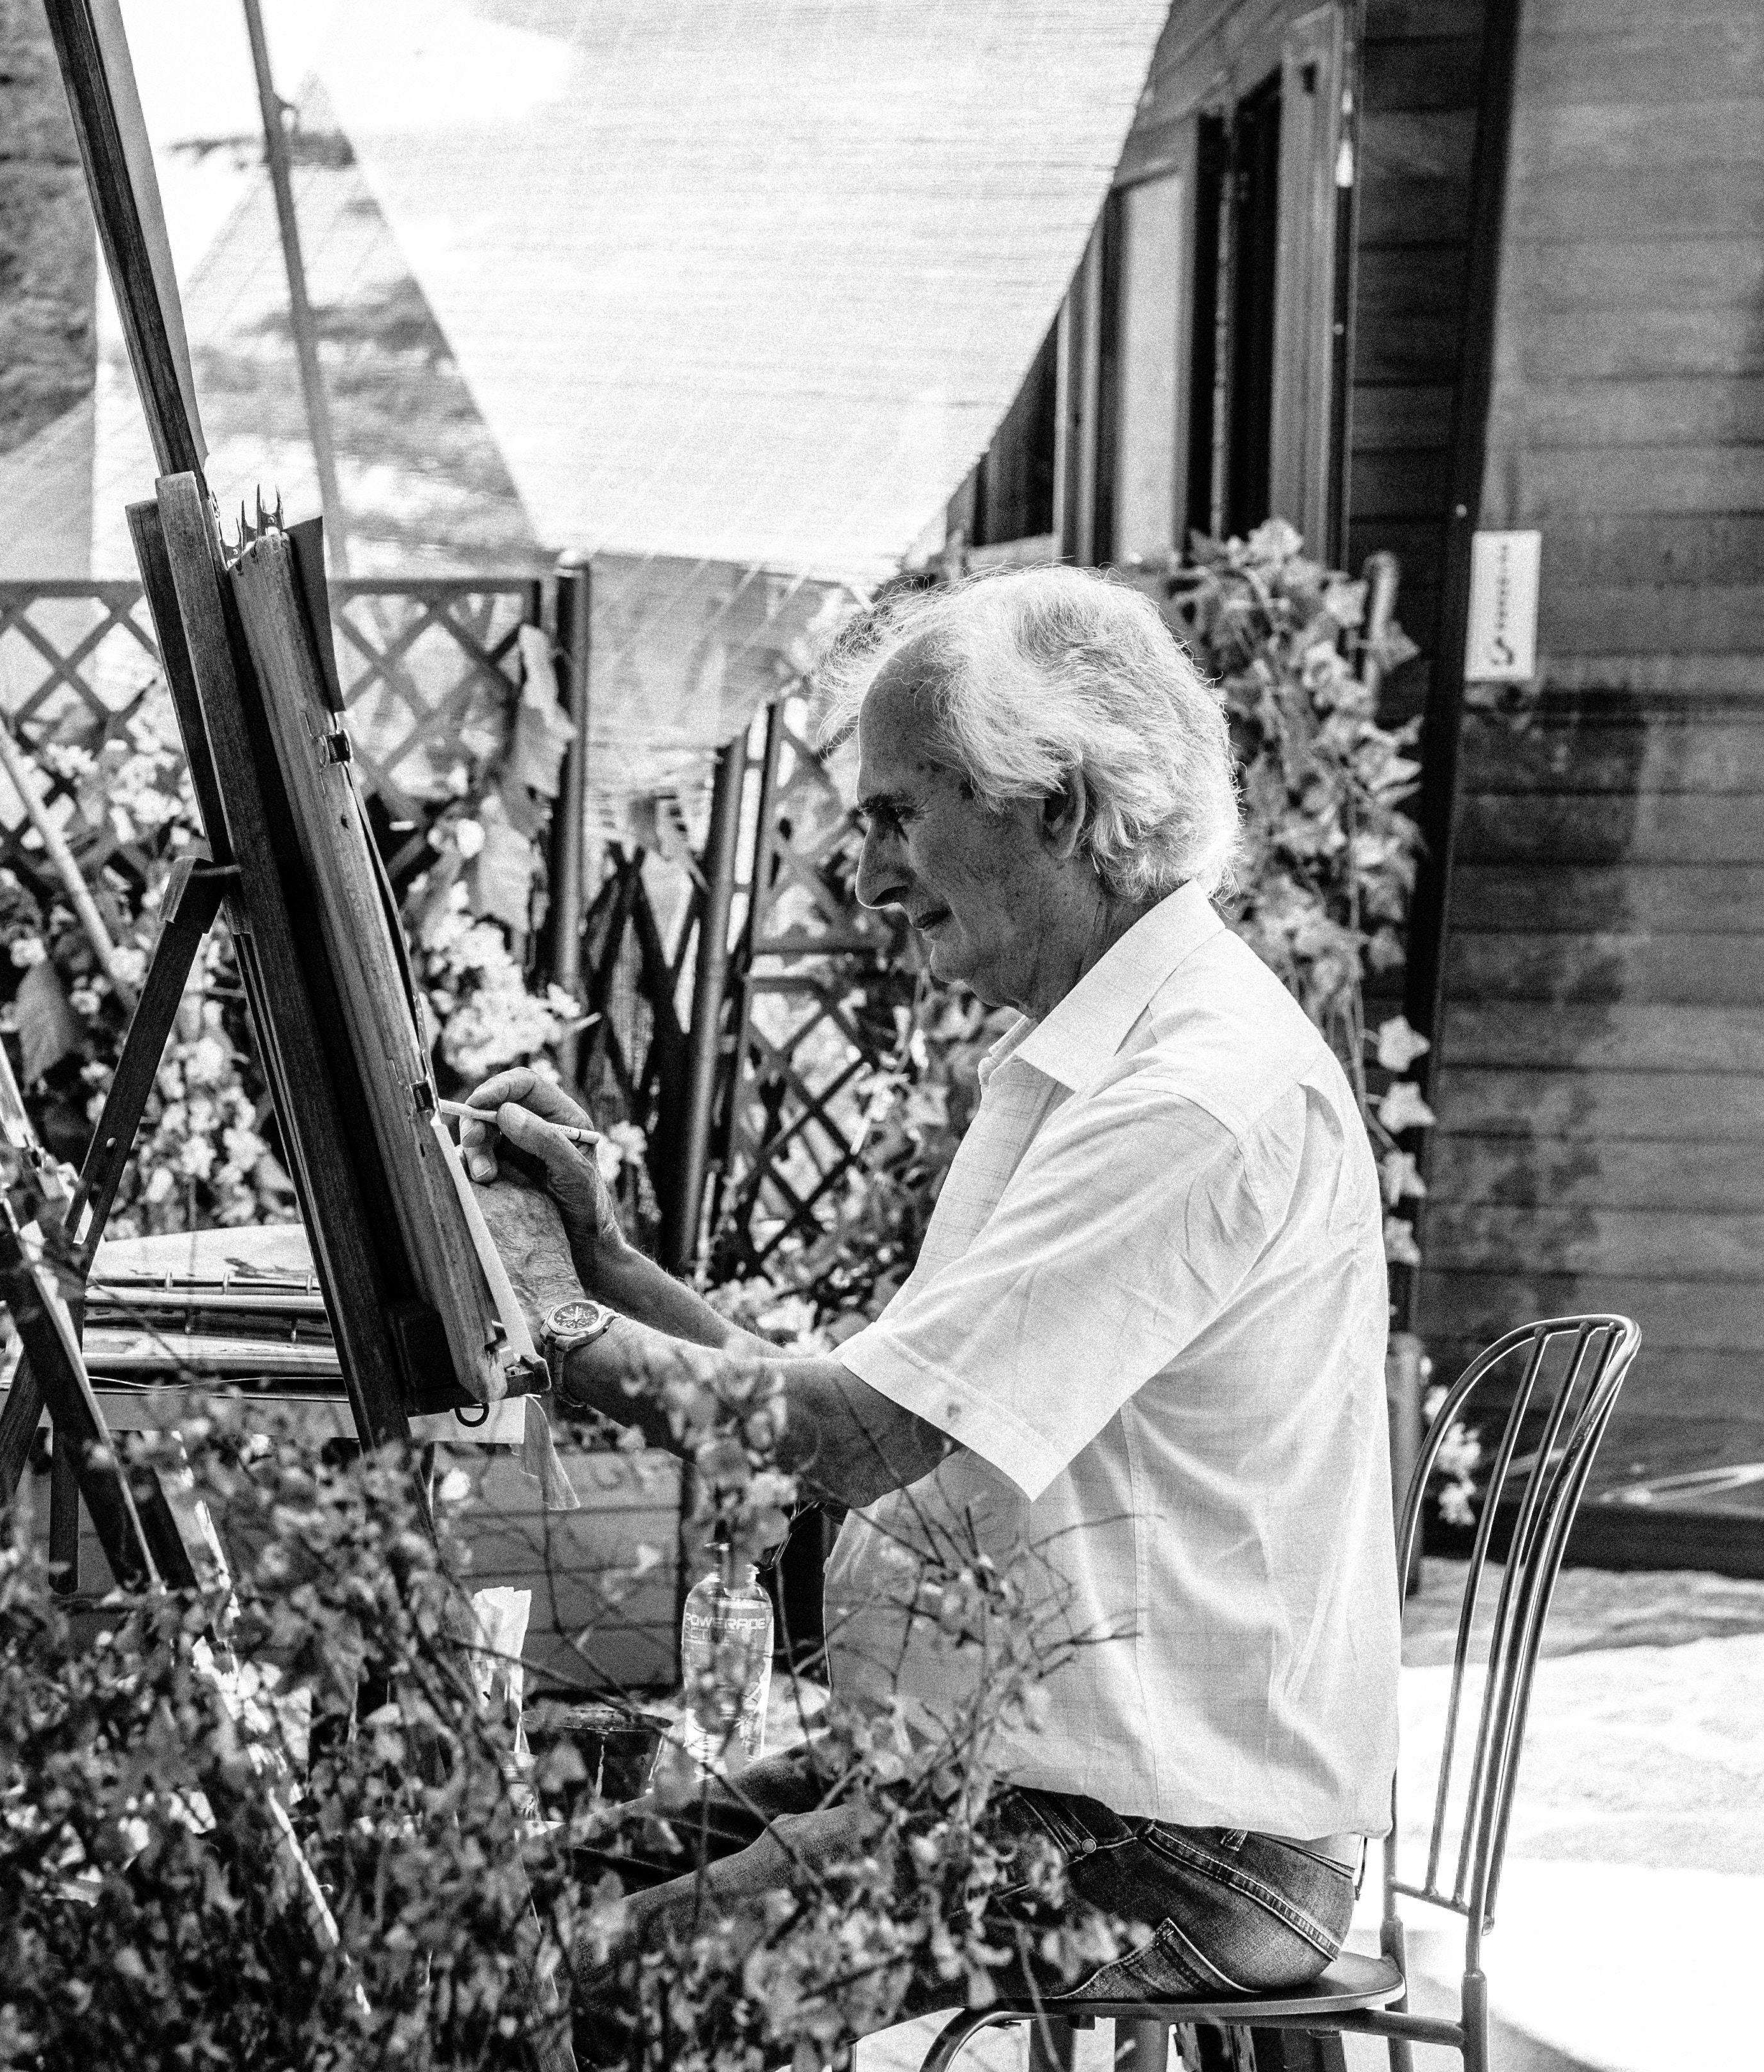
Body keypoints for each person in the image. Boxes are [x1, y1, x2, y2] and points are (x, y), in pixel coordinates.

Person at [464, 563, 1400, 2064]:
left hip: (1166, 1839)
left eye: (901, 813)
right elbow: (886, 1403)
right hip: (1033, 1780)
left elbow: (855, 1443)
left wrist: (548, 1324)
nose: (866, 870)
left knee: (595, 1988)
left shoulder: (1192, 1096)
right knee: (508, 1916)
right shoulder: (1103, 1051)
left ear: (1060, 808)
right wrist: (609, 1270)